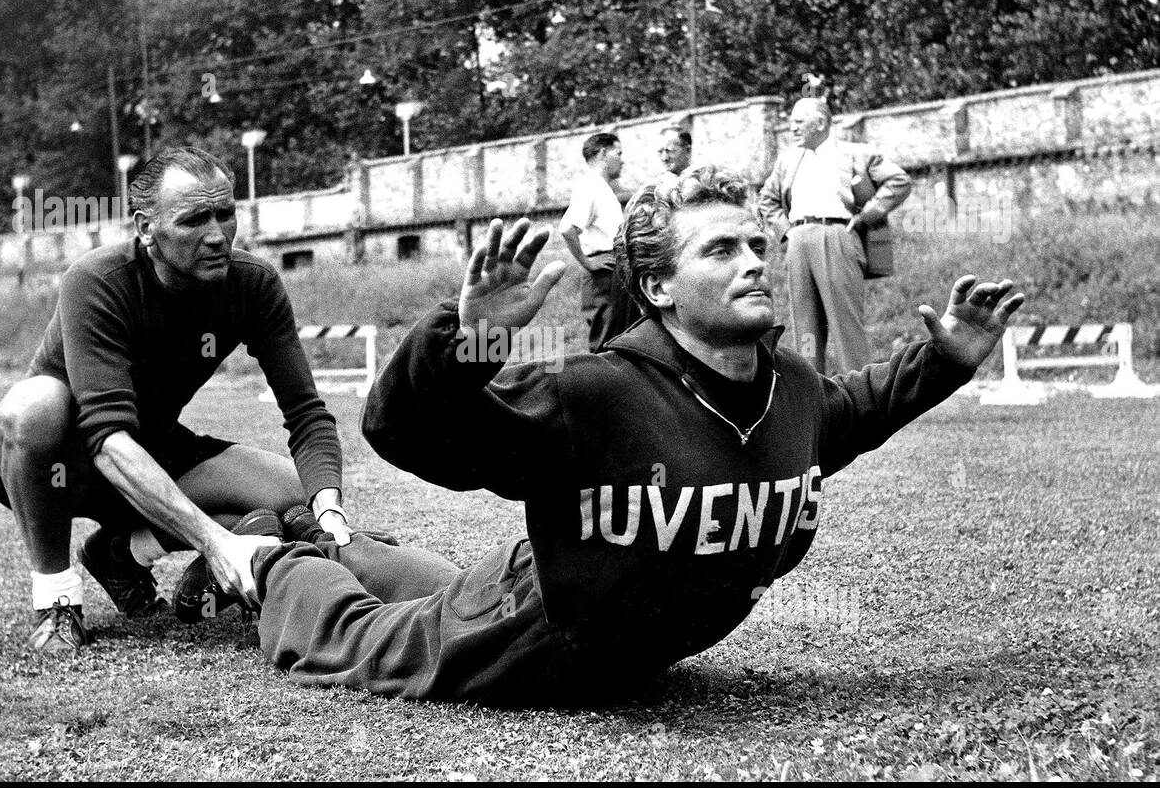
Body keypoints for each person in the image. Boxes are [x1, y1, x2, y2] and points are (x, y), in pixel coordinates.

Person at [233, 163, 1023, 706]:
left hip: (584, 601)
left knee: (437, 586)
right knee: (355, 636)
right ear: (657, 287)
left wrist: (947, 358)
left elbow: (865, 405)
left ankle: (318, 531)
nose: (754, 262)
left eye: (757, 244)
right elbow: (409, 433)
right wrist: (461, 334)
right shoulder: (593, 391)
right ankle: (275, 556)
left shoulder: (792, 390)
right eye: (720, 250)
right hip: (529, 634)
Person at [0, 147, 351, 654]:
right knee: (31, 406)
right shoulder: (97, 280)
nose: (216, 235)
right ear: (146, 228)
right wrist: (216, 544)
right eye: (194, 219)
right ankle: (56, 602)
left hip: (148, 444)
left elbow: (306, 413)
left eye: (225, 214)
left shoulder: (253, 285)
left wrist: (329, 511)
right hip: (62, 457)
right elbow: (104, 438)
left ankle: (122, 553)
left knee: (292, 496)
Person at [758, 97, 912, 374]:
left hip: (837, 236)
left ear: (819, 122)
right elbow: (767, 199)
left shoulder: (857, 153)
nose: (791, 128)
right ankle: (809, 390)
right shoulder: (789, 159)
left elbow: (899, 180)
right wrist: (786, 233)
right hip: (798, 240)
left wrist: (868, 215)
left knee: (845, 325)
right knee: (805, 328)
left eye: (798, 122)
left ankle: (859, 395)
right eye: (791, 122)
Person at [608, 126, 694, 341]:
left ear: (687, 150)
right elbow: (629, 229)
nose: (665, 157)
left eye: (670, 151)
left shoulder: (700, 183)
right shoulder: (651, 188)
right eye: (661, 152)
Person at [557, 132, 624, 352]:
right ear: (604, 154)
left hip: (615, 268)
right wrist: (587, 262)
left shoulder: (602, 188)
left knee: (619, 338)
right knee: (606, 341)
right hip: (604, 271)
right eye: (618, 153)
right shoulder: (590, 186)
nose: (622, 160)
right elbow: (567, 229)